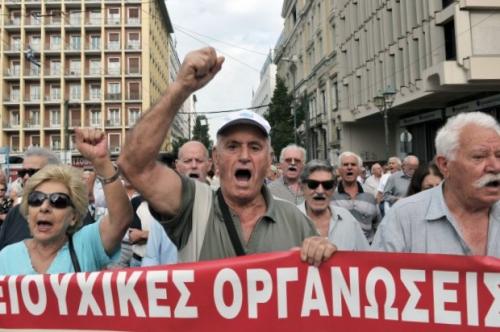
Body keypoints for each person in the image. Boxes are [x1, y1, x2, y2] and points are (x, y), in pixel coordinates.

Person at [118, 47, 336, 266]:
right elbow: (134, 165)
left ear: (269, 159)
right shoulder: (193, 208)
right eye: (232, 146)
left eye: (254, 147)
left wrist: (325, 253)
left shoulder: (295, 220)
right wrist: (181, 88)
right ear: (216, 157)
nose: (244, 156)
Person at [0, 128, 133, 275]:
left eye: (58, 201)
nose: (44, 207)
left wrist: (102, 162)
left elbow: (120, 220)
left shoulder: (85, 245)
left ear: (74, 216)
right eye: (36, 199)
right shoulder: (6, 256)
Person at [372, 112, 500, 256]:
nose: (495, 167)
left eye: (499, 155)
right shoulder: (404, 218)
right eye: (479, 157)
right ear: (445, 165)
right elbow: (377, 275)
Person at [297, 160, 369, 251]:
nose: (320, 191)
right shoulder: (289, 219)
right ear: (301, 187)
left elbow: (366, 258)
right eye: (313, 184)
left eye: (327, 185)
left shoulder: (347, 218)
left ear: (334, 188)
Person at [0, 147, 61, 250]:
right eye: (23, 173)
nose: (26, 177)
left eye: (33, 172)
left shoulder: (71, 211)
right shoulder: (15, 213)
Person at [331, 152, 380, 243]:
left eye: (353, 164)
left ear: (359, 170)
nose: (349, 167)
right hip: (339, 249)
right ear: (339, 170)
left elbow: (377, 223)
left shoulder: (370, 194)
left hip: (366, 250)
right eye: (345, 164)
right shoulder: (330, 195)